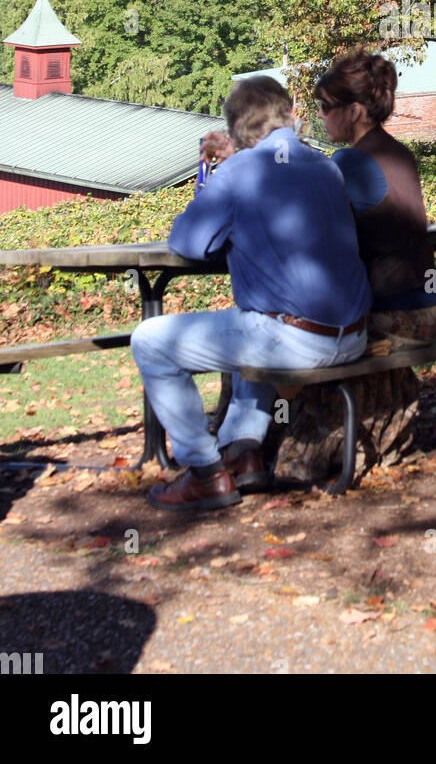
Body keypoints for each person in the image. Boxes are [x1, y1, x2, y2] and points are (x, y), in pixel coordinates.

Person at [130, 75, 372, 512]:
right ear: (289, 115)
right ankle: (242, 452)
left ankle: (204, 472)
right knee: (250, 319)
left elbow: (188, 243)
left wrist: (222, 176)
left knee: (150, 340)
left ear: (239, 131)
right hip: (352, 335)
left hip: (296, 341)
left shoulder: (240, 171)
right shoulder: (326, 166)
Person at [312, 51, 436, 347]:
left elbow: (309, 231)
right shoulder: (398, 152)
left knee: (264, 348)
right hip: (425, 309)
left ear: (354, 111)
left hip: (394, 317)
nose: (320, 114)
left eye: (325, 106)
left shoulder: (351, 160)